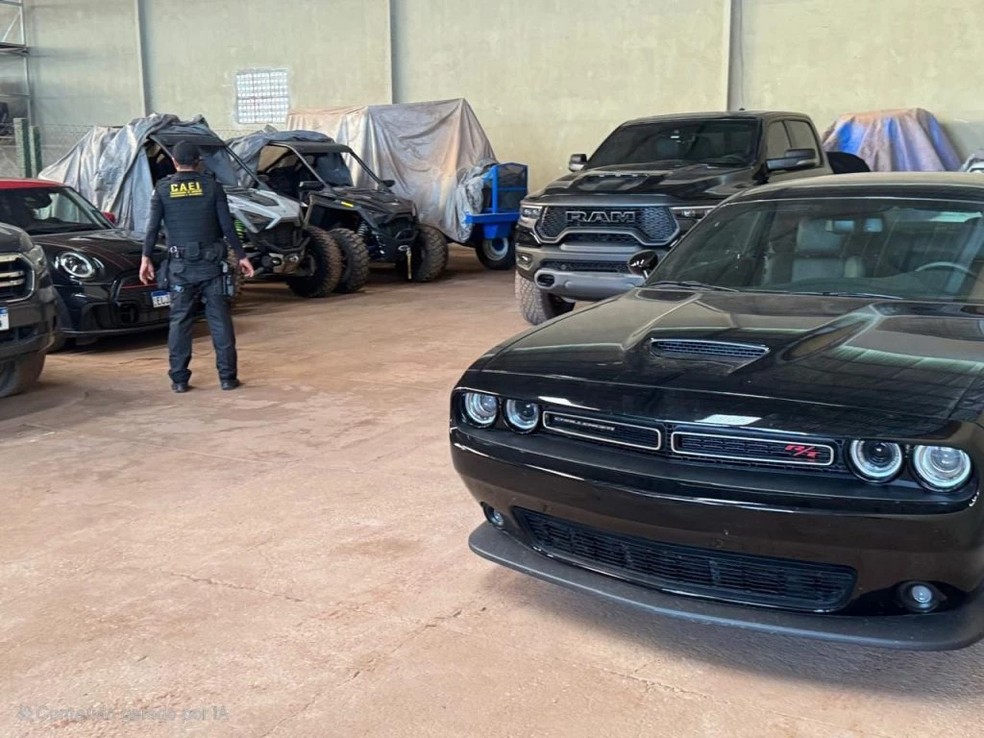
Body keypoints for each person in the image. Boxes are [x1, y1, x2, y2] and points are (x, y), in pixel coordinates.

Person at [139, 140, 255, 393]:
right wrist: (242, 256)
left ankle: (179, 380)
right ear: (198, 161)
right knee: (220, 322)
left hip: (180, 269)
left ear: (174, 162)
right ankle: (227, 378)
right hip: (212, 267)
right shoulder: (212, 188)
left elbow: (152, 227)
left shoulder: (163, 189)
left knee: (180, 322)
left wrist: (145, 258)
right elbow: (227, 226)